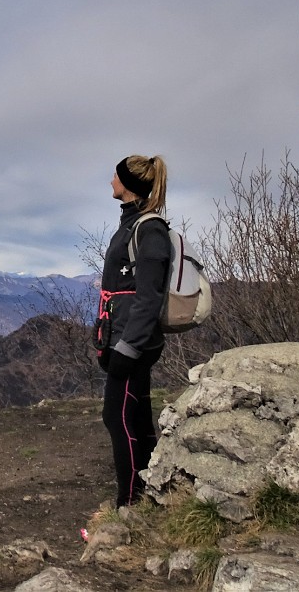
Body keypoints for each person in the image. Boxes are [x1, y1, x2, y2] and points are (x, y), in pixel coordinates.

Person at [94, 154, 172, 508]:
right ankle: (150, 491)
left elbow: (149, 294)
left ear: (128, 184)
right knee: (137, 417)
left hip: (132, 342)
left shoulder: (149, 229)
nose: (111, 179)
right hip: (123, 337)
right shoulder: (132, 224)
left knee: (118, 417)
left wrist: (127, 347)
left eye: (116, 174)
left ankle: (128, 503)